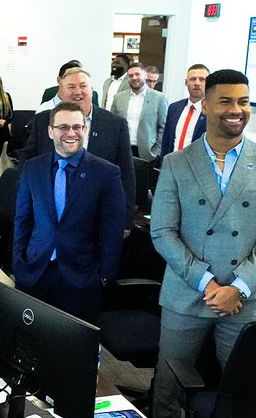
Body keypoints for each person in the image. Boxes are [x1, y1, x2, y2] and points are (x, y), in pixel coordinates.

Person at [149, 69, 256, 418]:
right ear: (206, 105)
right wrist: (206, 282)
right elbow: (162, 232)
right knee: (167, 384)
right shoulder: (178, 162)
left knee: (246, 388)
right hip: (187, 291)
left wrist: (238, 287)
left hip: (246, 297)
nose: (236, 110)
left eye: (243, 101)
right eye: (226, 101)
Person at [13, 102, 126, 323]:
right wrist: (19, 262)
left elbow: (112, 232)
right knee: (31, 341)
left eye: (77, 127)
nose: (71, 133)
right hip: (35, 272)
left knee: (72, 350)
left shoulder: (106, 173)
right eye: (63, 127)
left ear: (84, 129)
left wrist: (103, 278)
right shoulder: (32, 168)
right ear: (50, 131)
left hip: (81, 277)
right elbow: (22, 220)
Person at [22, 67, 135, 221]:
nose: (77, 92)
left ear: (92, 90)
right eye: (71, 87)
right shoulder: (42, 121)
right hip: (51, 214)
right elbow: (27, 162)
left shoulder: (115, 124)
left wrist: (126, 219)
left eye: (83, 86)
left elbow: (126, 174)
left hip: (98, 213)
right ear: (61, 91)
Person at [109, 63, 168, 161]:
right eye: (130, 75)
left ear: (145, 75)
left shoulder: (159, 98)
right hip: (122, 150)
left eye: (137, 74)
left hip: (147, 154)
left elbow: (163, 127)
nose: (134, 78)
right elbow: (113, 124)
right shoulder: (118, 97)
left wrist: (156, 152)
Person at [161, 64, 208, 162]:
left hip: (197, 168)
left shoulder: (212, 112)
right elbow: (166, 140)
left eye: (202, 79)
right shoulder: (174, 108)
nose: (197, 83)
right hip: (172, 164)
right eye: (193, 79)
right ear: (186, 82)